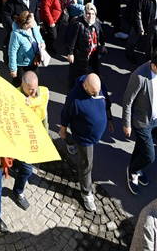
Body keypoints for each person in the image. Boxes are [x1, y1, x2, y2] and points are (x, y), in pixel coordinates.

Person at [121, 51, 157, 195]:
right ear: (154, 66)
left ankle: (135, 166)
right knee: (150, 155)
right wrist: (127, 123)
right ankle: (133, 171)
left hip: (154, 120)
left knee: (141, 147)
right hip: (141, 121)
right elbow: (127, 102)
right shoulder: (139, 76)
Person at [60, 73, 108, 212]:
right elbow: (66, 114)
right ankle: (86, 193)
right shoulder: (74, 98)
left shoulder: (96, 87)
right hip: (84, 137)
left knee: (75, 144)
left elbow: (106, 100)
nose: (97, 94)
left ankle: (69, 142)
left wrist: (108, 119)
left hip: (91, 135)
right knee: (86, 164)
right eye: (93, 92)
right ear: (84, 86)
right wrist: (63, 129)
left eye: (98, 91)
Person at [10, 71, 49, 210]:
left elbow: (43, 107)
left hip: (36, 137)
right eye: (30, 89)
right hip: (21, 140)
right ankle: (18, 192)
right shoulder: (14, 96)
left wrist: (45, 133)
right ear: (22, 85)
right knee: (27, 170)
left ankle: (14, 166)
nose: (34, 91)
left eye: (35, 88)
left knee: (21, 166)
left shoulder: (42, 91)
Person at [7, 10, 46, 80]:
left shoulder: (34, 28)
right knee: (20, 86)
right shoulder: (16, 35)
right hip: (22, 66)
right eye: (33, 20)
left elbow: (40, 39)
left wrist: (42, 44)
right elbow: (12, 52)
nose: (34, 22)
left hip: (34, 62)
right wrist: (13, 69)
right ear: (26, 24)